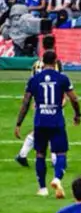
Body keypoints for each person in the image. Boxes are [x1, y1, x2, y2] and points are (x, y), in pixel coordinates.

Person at [15, 50, 80, 197]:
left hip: (40, 121)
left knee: (40, 154)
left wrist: (19, 123)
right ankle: (57, 178)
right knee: (61, 152)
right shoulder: (62, 78)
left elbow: (26, 102)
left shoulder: (34, 79)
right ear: (55, 61)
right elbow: (74, 99)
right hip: (56, 121)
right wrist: (77, 115)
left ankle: (43, 188)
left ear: (42, 62)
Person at [14, 35, 61, 168]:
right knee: (54, 127)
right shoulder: (55, 63)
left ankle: (22, 154)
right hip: (52, 100)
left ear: (42, 45)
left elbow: (32, 83)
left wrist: (34, 100)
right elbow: (58, 81)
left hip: (39, 100)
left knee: (42, 128)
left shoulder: (36, 64)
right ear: (54, 44)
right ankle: (55, 159)